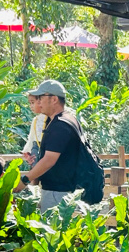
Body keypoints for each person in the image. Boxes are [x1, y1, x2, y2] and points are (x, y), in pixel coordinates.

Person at [17, 80, 81, 211]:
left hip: (58, 192)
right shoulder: (63, 120)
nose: (39, 102)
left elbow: (49, 160)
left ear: (54, 99)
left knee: (53, 223)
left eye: (41, 97)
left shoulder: (60, 126)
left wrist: (24, 180)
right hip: (62, 190)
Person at [22, 93, 46, 165]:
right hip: (36, 149)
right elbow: (31, 137)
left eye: (33, 102)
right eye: (30, 103)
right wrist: (27, 151)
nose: (31, 106)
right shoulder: (36, 120)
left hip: (47, 148)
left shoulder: (52, 118)